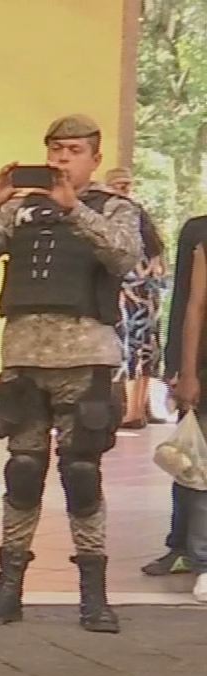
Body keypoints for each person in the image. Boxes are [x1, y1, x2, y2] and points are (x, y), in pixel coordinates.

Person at [0, 114, 142, 632]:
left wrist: (75, 210)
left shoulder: (115, 209)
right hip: (24, 360)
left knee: (82, 475)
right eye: (55, 149)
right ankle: (7, 589)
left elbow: (126, 258)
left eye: (73, 150)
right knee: (23, 472)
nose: (61, 159)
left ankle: (94, 597)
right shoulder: (20, 210)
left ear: (94, 158)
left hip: (87, 360)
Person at [146, 212, 207, 578]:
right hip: (202, 368)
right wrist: (181, 370)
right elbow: (189, 304)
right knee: (192, 460)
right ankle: (189, 550)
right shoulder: (199, 232)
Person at [103, 168, 167, 430]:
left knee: (142, 349)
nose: (124, 189)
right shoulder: (108, 213)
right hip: (127, 292)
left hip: (139, 293)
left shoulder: (136, 212)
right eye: (118, 185)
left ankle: (136, 409)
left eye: (127, 185)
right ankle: (133, 408)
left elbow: (157, 251)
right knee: (131, 349)